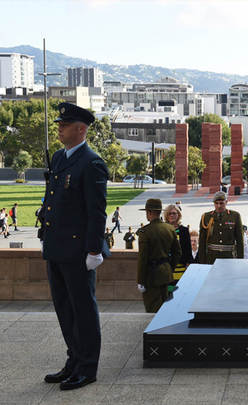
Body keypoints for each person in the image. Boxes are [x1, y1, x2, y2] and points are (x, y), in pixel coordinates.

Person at [40, 102, 108, 391]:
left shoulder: (91, 163)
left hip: (78, 251)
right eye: (59, 125)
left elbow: (97, 212)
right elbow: (52, 198)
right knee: (65, 310)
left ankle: (87, 368)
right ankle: (74, 361)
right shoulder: (59, 157)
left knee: (83, 311)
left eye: (64, 125)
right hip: (56, 246)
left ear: (81, 130)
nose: (59, 129)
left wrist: (94, 250)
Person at [136, 199, 181, 313]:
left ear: (149, 212)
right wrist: (169, 267)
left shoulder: (145, 232)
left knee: (153, 309)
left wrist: (141, 280)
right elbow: (177, 253)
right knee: (166, 308)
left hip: (152, 277)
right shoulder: (169, 228)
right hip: (166, 274)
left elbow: (142, 259)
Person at [198, 191, 244, 264]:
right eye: (216, 203)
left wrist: (240, 261)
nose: (219, 206)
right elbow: (202, 242)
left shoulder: (235, 216)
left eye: (221, 203)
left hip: (229, 257)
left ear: (226, 202)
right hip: (211, 258)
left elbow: (240, 240)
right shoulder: (206, 217)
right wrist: (202, 262)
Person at [163, 204, 192, 284]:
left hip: (181, 267)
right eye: (169, 213)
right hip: (166, 267)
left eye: (174, 213)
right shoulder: (163, 230)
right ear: (166, 215)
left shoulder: (184, 230)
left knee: (179, 289)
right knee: (168, 290)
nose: (172, 215)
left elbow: (188, 249)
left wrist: (188, 263)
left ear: (178, 215)